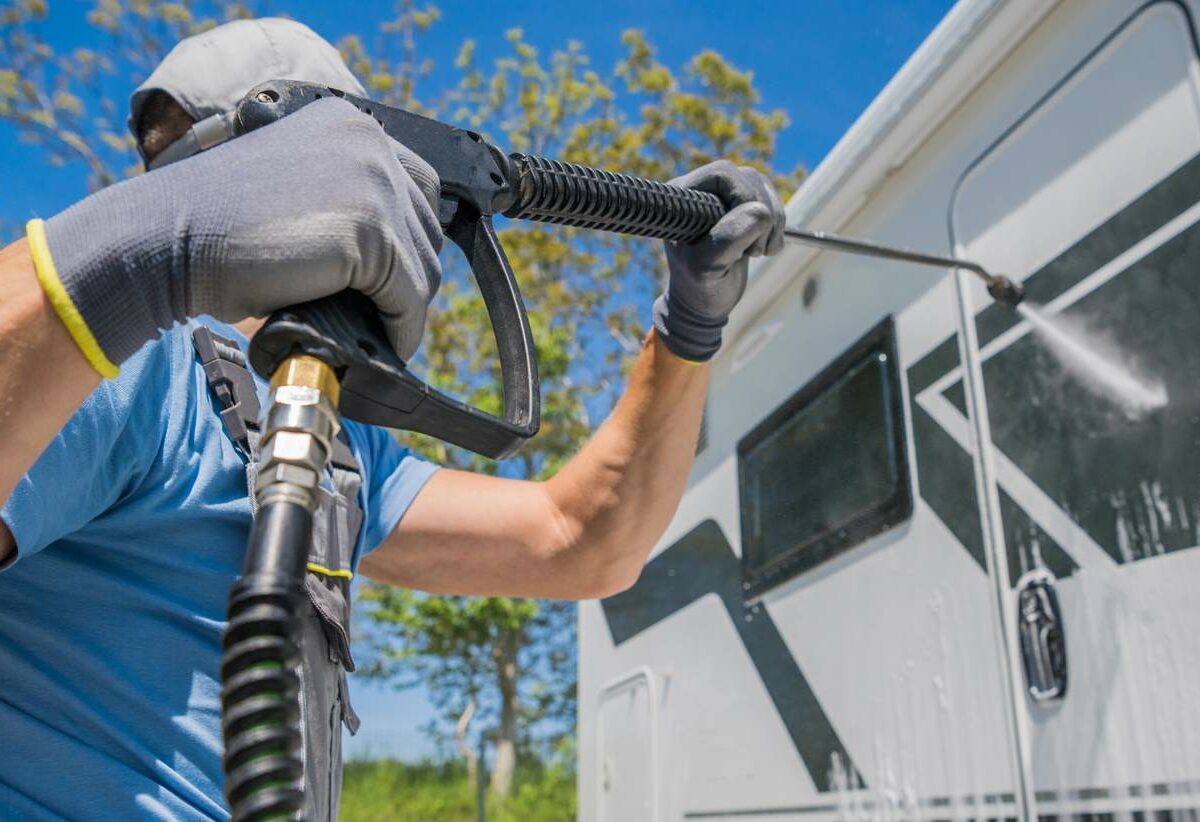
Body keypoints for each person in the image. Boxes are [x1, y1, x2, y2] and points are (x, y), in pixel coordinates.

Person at [0, 17, 785, 821]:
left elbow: (580, 541)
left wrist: (688, 330)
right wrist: (143, 253)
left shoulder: (338, 444)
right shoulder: (126, 363)